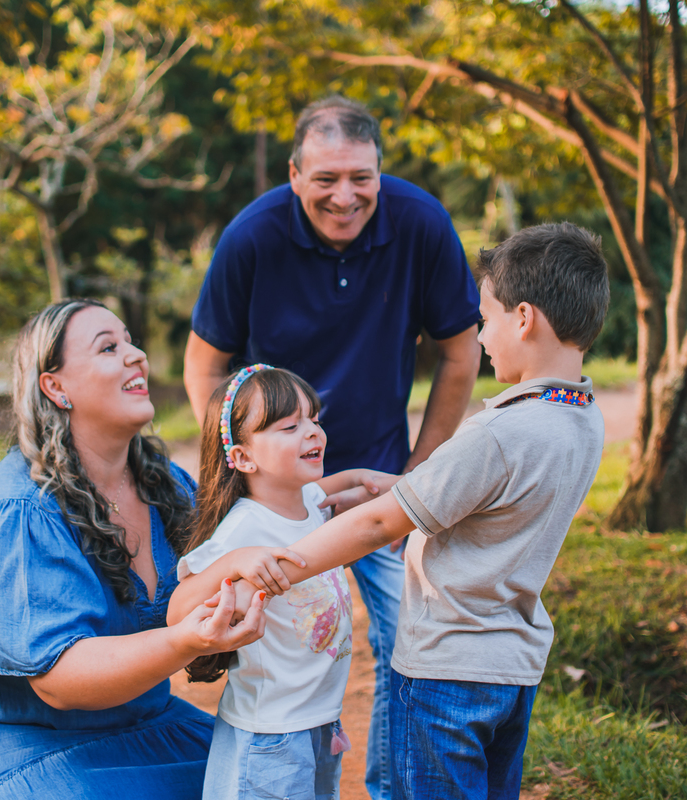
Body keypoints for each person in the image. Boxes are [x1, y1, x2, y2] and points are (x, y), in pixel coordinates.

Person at [174, 222, 610, 800]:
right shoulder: (580, 418)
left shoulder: (498, 434)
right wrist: (396, 484)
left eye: (487, 319)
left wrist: (283, 562)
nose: (480, 337)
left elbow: (383, 523)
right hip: (512, 667)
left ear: (524, 318)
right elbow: (486, 496)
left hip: (444, 670)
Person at [184, 95, 482, 800]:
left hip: (370, 485)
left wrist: (415, 475)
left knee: (413, 642)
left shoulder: (421, 224)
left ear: (380, 171)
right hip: (277, 492)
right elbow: (204, 364)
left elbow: (462, 356)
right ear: (294, 174)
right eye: (326, 179)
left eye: (361, 177)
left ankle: (389, 787)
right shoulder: (252, 237)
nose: (345, 197)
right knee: (280, 637)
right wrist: (238, 460)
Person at [0, 300, 291, 800]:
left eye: (130, 341)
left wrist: (327, 501)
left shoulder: (167, 487)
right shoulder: (21, 509)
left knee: (268, 782)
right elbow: (62, 681)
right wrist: (187, 639)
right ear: (56, 386)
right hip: (14, 745)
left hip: (143, 723)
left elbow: (255, 539)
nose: (136, 356)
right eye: (109, 348)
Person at [167, 365, 389, 800]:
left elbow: (326, 491)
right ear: (244, 458)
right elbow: (178, 612)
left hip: (319, 719)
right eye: (290, 426)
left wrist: (358, 479)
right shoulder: (241, 530)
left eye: (315, 419)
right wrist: (232, 562)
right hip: (269, 734)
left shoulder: (307, 499)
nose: (312, 432)